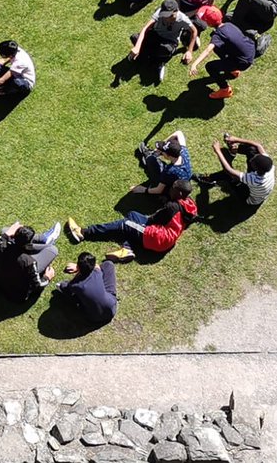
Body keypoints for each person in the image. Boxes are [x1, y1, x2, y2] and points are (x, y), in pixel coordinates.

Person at [66, 179, 198, 262]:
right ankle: (128, 249)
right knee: (133, 215)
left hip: (157, 239)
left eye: (173, 188)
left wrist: (141, 225)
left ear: (179, 193)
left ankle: (83, 232)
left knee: (126, 224)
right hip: (168, 239)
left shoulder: (172, 207)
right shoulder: (190, 204)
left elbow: (152, 220)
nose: (170, 189)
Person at [188, 21, 270, 100]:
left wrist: (194, 64)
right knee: (218, 48)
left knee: (210, 67)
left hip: (243, 62)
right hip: (248, 51)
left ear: (209, 23)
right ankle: (233, 70)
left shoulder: (218, 35)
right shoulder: (228, 25)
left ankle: (225, 90)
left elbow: (207, 51)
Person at [0, 221, 62, 304]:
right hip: (15, 295)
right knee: (53, 249)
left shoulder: (2, 247)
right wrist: (47, 278)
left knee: (4, 230)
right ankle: (45, 240)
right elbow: (37, 285)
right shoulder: (29, 262)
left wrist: (8, 233)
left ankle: (43, 239)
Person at [128, 0, 199, 84]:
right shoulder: (159, 13)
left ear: (176, 11)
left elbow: (194, 31)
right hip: (156, 35)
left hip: (169, 41)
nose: (166, 18)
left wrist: (189, 51)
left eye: (169, 16)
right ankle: (148, 55)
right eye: (164, 15)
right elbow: (145, 28)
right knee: (134, 37)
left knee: (165, 50)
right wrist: (137, 47)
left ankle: (157, 61)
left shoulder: (183, 19)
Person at [195, 134, 276, 207]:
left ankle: (209, 179)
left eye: (253, 162)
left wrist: (218, 151)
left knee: (229, 175)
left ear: (256, 169)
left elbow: (228, 170)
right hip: (260, 191)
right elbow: (258, 145)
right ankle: (233, 150)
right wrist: (236, 139)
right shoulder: (269, 166)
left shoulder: (254, 179)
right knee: (252, 149)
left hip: (249, 198)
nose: (251, 160)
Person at [56, 252, 118, 325]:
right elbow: (97, 267)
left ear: (78, 267)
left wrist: (77, 269)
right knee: (108, 264)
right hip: (111, 308)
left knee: (63, 286)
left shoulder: (76, 285)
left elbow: (69, 286)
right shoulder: (97, 272)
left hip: (93, 317)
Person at [133, 131, 192, 196]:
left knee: (151, 160)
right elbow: (179, 133)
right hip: (184, 180)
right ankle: (152, 155)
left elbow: (159, 190)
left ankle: (148, 156)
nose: (161, 152)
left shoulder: (170, 171)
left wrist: (143, 190)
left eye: (163, 152)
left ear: (168, 156)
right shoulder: (183, 152)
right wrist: (165, 143)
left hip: (171, 188)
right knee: (157, 162)